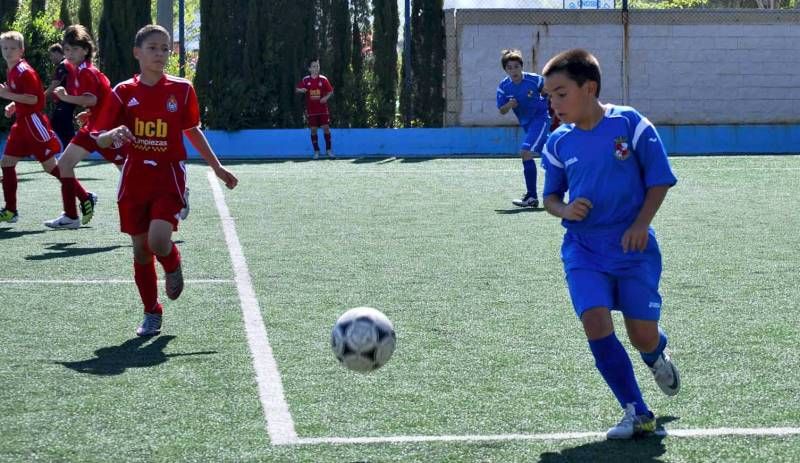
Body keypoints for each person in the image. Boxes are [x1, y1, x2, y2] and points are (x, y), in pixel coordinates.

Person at [540, 49, 681, 440]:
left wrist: (641, 224)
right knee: (595, 320)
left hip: (633, 247)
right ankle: (636, 411)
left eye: (561, 93)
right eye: (549, 96)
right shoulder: (557, 142)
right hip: (583, 249)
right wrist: (564, 210)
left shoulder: (631, 124)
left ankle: (656, 354)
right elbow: (550, 196)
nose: (554, 103)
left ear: (590, 88)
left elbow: (659, 178)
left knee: (641, 335)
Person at [93, 25, 238, 336]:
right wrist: (111, 135)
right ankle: (151, 312)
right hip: (134, 178)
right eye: (153, 48)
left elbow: (192, 131)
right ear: (137, 53)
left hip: (168, 174)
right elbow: (100, 139)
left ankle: (172, 264)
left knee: (158, 242)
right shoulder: (123, 92)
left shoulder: (182, 89)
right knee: (141, 251)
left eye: (165, 48)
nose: (160, 54)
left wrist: (218, 167)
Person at [43, 25, 113, 229]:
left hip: (108, 128)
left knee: (131, 172)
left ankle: (176, 192)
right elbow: (99, 99)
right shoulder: (78, 70)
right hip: (95, 126)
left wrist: (67, 97)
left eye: (74, 49)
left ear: (85, 50)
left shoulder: (86, 72)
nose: (69, 53)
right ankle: (71, 216)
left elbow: (91, 99)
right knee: (64, 164)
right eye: (66, 49)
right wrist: (90, 113)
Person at [0, 31, 64, 224]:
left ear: (21, 50)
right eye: (4, 48)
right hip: (22, 124)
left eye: (12, 48)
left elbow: (34, 99)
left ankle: (84, 195)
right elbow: (24, 97)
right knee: (6, 163)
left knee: (50, 166)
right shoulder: (12, 69)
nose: (8, 52)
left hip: (34, 124)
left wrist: (7, 96)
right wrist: (13, 104)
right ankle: (11, 211)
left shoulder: (24, 70)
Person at [496, 49, 551, 208]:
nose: (513, 70)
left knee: (525, 151)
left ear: (521, 66)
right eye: (509, 67)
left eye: (516, 66)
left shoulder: (534, 80)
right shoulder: (504, 86)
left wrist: (543, 102)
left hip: (540, 120)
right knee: (552, 155)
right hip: (527, 124)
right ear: (505, 70)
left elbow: (547, 90)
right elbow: (502, 110)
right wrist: (509, 105)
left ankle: (531, 197)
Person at [295, 58, 334, 159]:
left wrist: (325, 98)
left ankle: (329, 150)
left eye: (317, 66)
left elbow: (330, 91)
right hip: (312, 111)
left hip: (323, 110)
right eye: (313, 66)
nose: (316, 68)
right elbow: (297, 89)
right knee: (313, 130)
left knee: (326, 128)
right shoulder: (305, 80)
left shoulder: (323, 79)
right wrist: (301, 90)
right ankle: (316, 151)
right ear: (309, 69)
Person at [44, 43, 76, 149]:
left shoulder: (63, 65)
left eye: (52, 55)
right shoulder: (66, 64)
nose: (51, 58)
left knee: (58, 124)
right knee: (62, 125)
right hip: (67, 101)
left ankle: (72, 149)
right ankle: (70, 149)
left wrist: (40, 99)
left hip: (66, 100)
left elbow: (54, 86)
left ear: (58, 53)